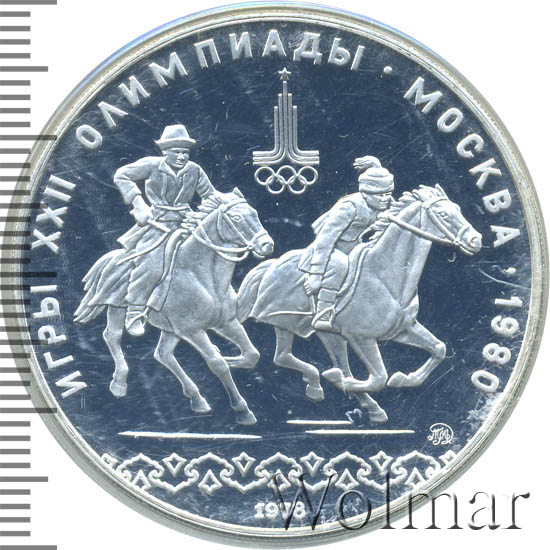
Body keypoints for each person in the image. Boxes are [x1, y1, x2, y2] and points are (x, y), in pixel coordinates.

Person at [114, 124, 216, 336]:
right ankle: (135, 311)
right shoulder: (152, 165)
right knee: (151, 265)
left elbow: (210, 195)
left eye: (185, 152)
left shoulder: (194, 170)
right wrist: (138, 203)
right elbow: (121, 175)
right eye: (176, 152)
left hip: (188, 222)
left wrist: (229, 203)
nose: (182, 157)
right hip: (158, 224)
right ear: (165, 152)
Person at [298, 156, 394, 331]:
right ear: (365, 193)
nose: (384, 199)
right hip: (334, 250)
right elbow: (325, 240)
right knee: (340, 264)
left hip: (359, 249)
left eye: (387, 194)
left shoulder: (387, 204)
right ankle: (323, 312)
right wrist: (315, 276)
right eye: (379, 195)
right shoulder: (350, 207)